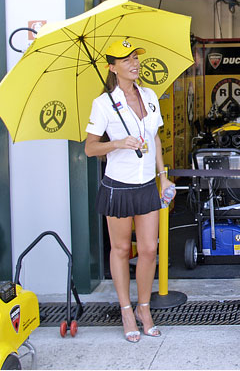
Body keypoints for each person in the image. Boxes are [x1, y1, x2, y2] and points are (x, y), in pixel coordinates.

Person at [85, 39, 174, 343]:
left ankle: (144, 308)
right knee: (122, 250)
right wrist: (118, 143)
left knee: (149, 249)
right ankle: (125, 310)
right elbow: (89, 148)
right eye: (127, 60)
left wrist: (163, 177)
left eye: (135, 58)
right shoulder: (103, 104)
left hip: (147, 183)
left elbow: (157, 139)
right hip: (118, 186)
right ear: (112, 67)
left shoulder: (149, 96)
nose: (134, 64)